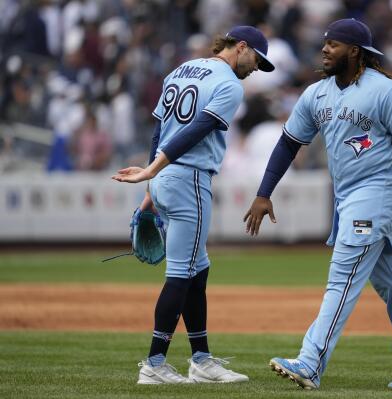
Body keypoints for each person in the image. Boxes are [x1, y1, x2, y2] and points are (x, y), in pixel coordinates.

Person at [244, 18, 392, 390]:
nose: (324, 49)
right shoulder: (316, 94)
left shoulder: (385, 90)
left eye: (333, 44)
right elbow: (289, 143)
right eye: (325, 43)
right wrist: (263, 193)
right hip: (349, 196)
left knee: (342, 276)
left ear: (354, 51)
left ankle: (309, 361)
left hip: (379, 192)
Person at [112, 25, 275, 384]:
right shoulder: (229, 85)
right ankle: (154, 365)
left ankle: (201, 359)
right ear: (241, 47)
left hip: (167, 180)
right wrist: (152, 172)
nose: (255, 69)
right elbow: (196, 129)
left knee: (197, 271)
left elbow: (160, 131)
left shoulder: (180, 70)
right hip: (189, 179)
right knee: (181, 275)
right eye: (256, 60)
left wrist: (152, 187)